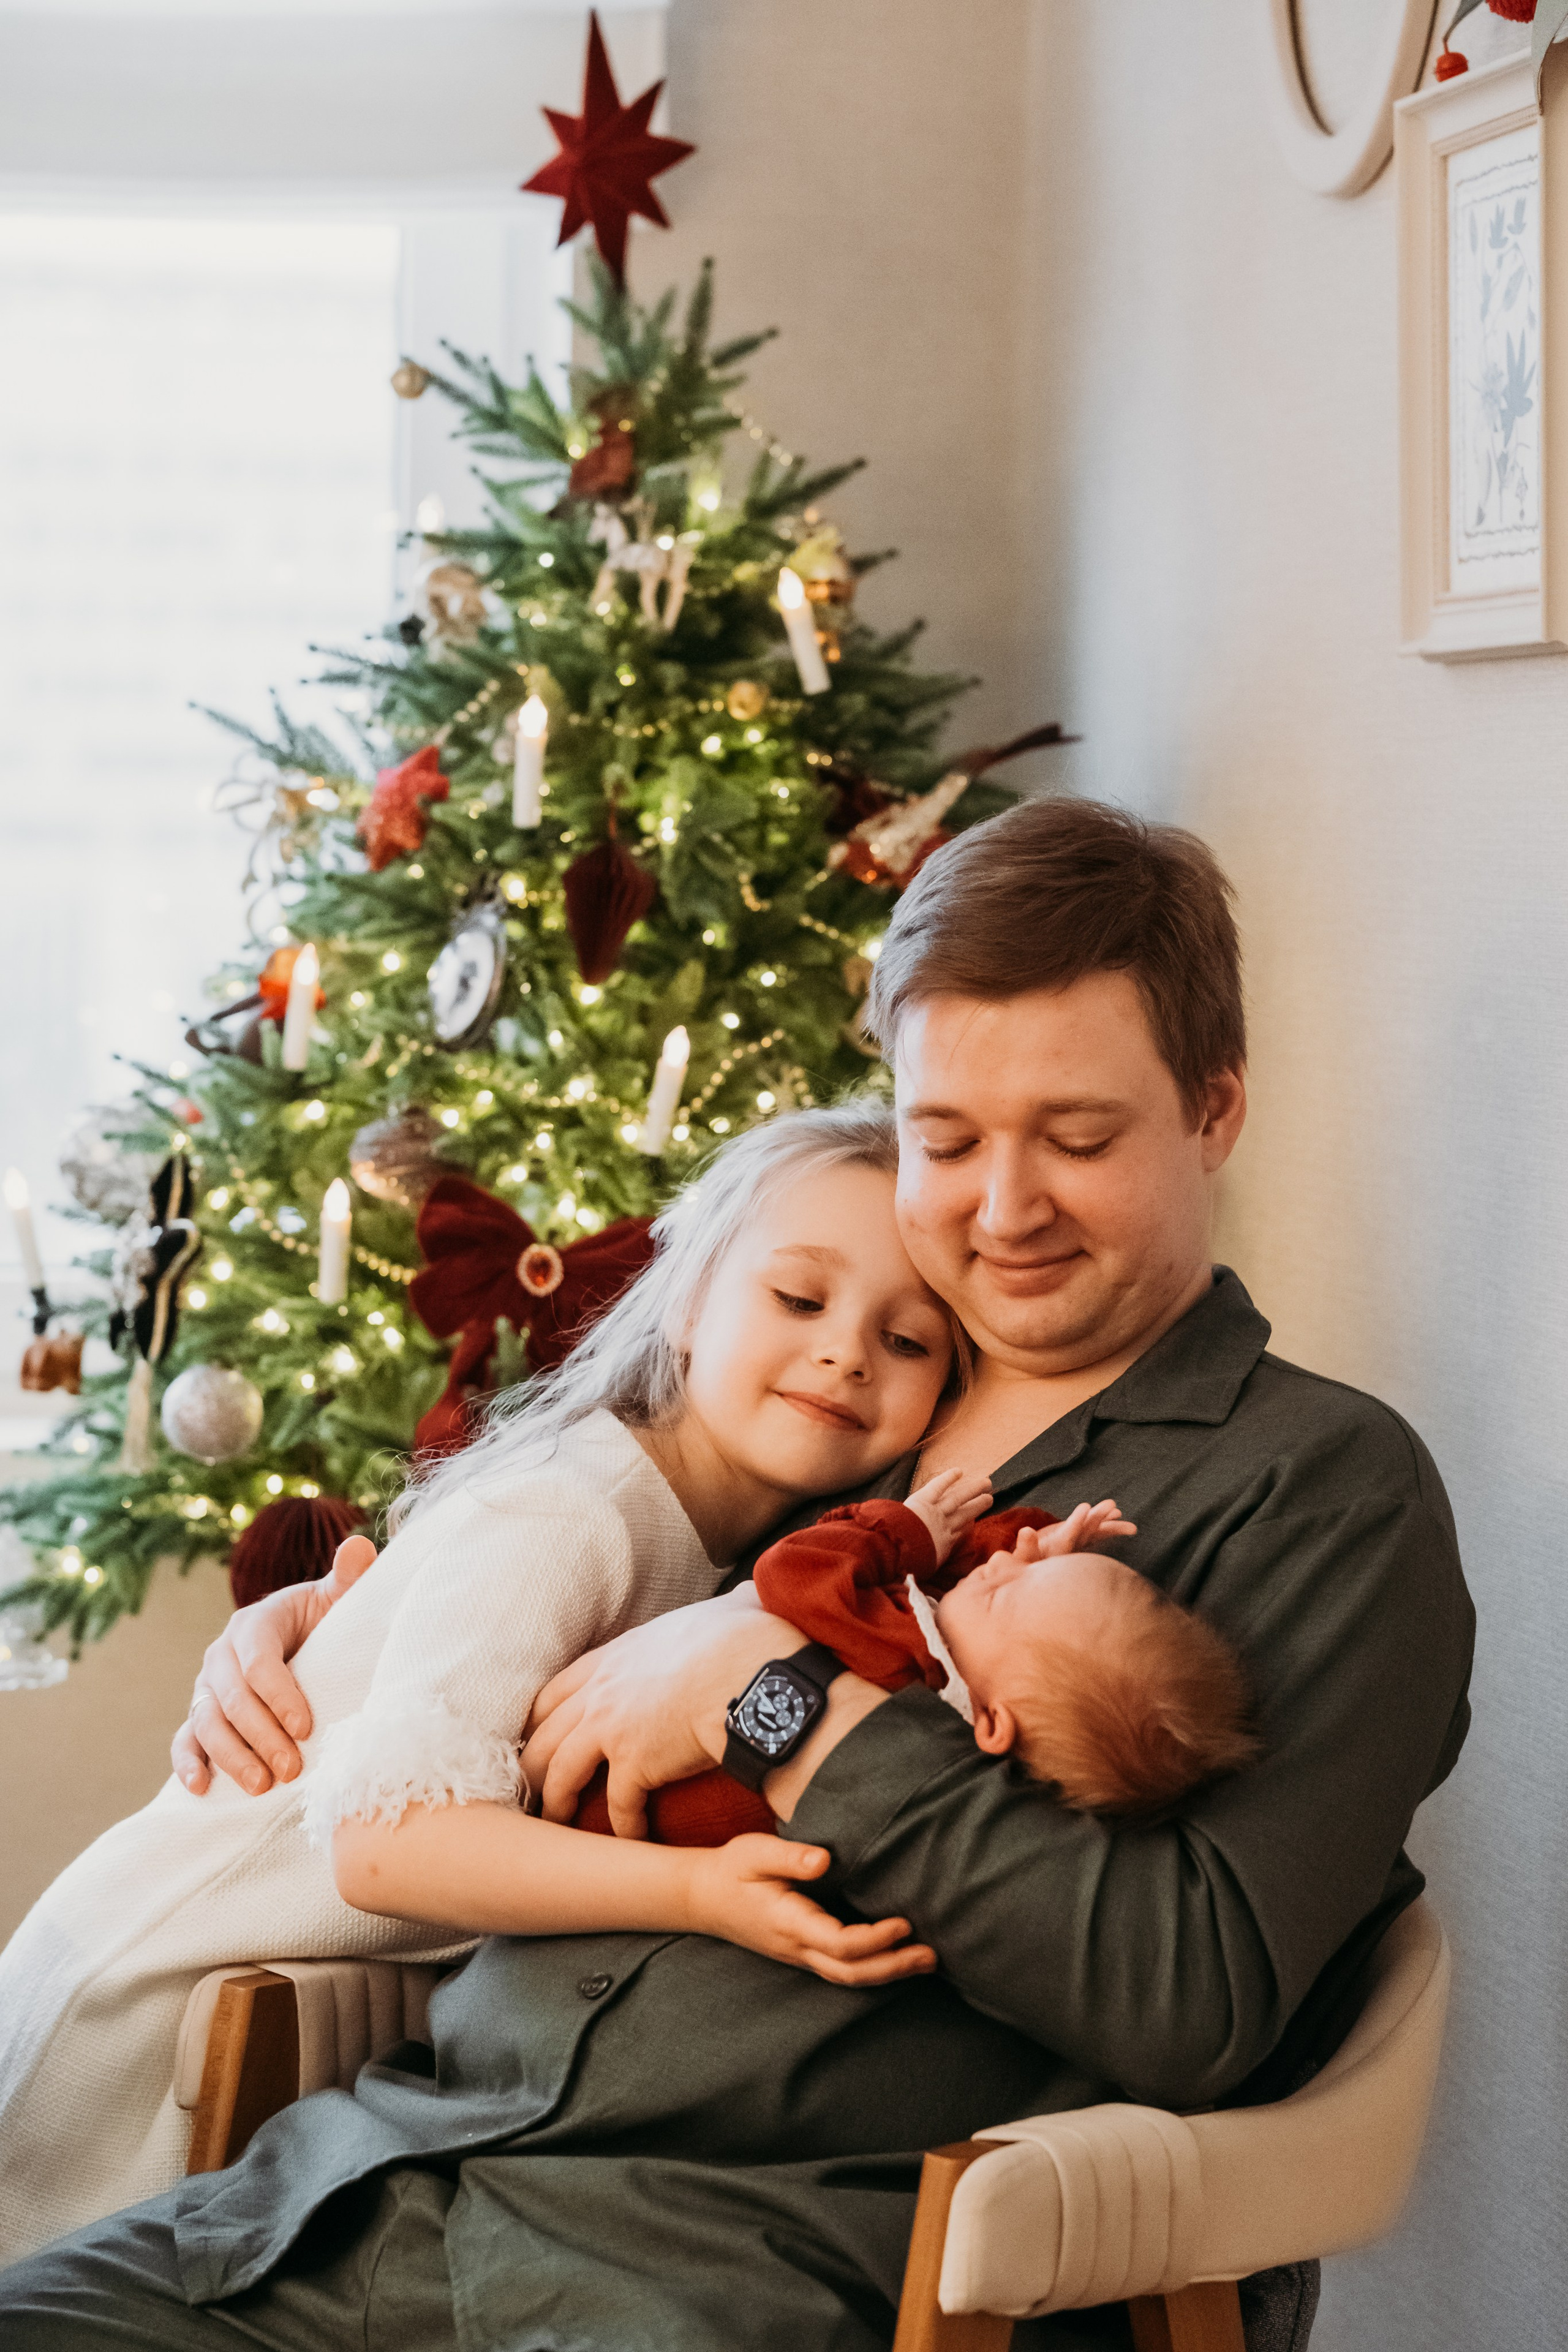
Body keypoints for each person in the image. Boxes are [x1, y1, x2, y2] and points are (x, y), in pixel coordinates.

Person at [2, 797, 1475, 2352]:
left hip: (748, 2269)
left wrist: (766, 1697)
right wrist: (325, 1625)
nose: (1000, 1207)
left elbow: (1193, 1995)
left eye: (1079, 1137)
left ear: (1213, 1111)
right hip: (375, 2186)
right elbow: (537, 1565)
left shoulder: (1317, 1488)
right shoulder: (848, 1393)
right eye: (946, 1138)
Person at [0, 1101, 968, 2261]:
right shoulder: (567, 1514)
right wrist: (704, 1894)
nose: (848, 1351)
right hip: (154, 2023)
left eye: (909, 1341)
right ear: (695, 1298)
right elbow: (386, 1844)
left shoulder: (731, 1558)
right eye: (799, 1299)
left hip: (286, 2030)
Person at [573, 1483, 1257, 1844]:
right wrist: (1039, 1548)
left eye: (1010, 1593)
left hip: (590, 1788)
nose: (1003, 1565)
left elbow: (795, 1569)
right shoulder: (946, 1716)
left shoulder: (898, 1664)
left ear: (992, 1720)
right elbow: (967, 1585)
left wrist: (910, 1531)